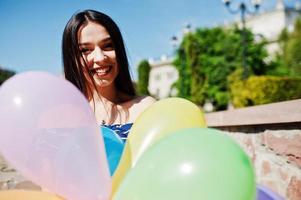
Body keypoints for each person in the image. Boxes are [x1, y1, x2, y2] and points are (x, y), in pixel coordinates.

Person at [62, 9, 156, 141]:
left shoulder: (147, 108)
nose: (100, 57)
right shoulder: (59, 118)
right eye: (85, 50)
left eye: (108, 46)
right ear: (71, 58)